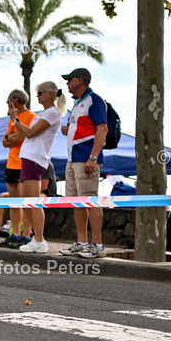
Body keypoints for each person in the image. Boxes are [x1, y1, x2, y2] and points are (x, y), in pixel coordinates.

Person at [9, 82, 66, 254]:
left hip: (35, 159)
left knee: (33, 201)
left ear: (50, 94)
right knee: (27, 201)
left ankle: (40, 240)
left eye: (40, 92)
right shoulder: (45, 113)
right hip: (29, 158)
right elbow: (27, 133)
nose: (38, 95)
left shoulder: (52, 113)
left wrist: (15, 119)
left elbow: (29, 133)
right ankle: (37, 239)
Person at [60, 68, 108, 258]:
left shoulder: (94, 100)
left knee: (90, 200)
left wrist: (93, 157)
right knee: (77, 202)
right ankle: (81, 242)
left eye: (69, 80)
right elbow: (85, 128)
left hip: (86, 159)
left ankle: (98, 244)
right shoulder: (78, 103)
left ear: (80, 81)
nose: (67, 83)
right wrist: (69, 129)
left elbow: (102, 129)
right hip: (73, 160)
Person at [0, 89, 36, 248]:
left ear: (16, 100)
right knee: (14, 203)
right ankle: (15, 234)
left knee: (24, 203)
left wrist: (11, 137)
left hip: (23, 164)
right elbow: (5, 141)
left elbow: (21, 136)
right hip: (11, 164)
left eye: (8, 99)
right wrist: (11, 137)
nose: (7, 102)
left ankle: (26, 235)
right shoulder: (12, 119)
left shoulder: (31, 117)